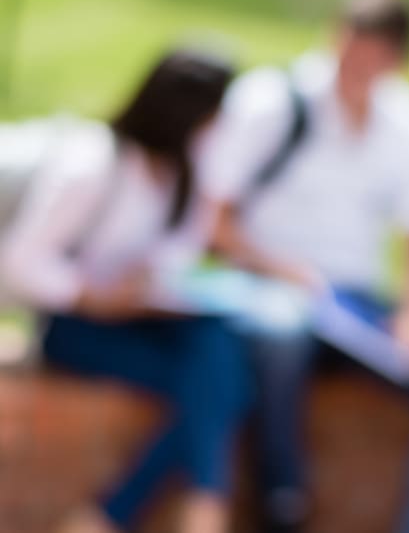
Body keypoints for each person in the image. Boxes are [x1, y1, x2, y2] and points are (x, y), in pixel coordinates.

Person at [201, 0, 409, 533]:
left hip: (353, 305)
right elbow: (212, 222)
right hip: (268, 288)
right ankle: (282, 502)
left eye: (377, 59)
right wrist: (282, 269)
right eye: (352, 51)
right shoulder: (271, 102)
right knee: (282, 330)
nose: (359, 69)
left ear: (400, 62)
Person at [0, 49, 251, 533]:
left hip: (147, 317)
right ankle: (197, 510)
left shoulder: (192, 166)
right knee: (226, 389)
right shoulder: (96, 161)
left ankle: (110, 519)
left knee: (218, 350)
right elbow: (20, 259)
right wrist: (95, 295)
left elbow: (181, 249)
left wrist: (155, 284)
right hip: (79, 323)